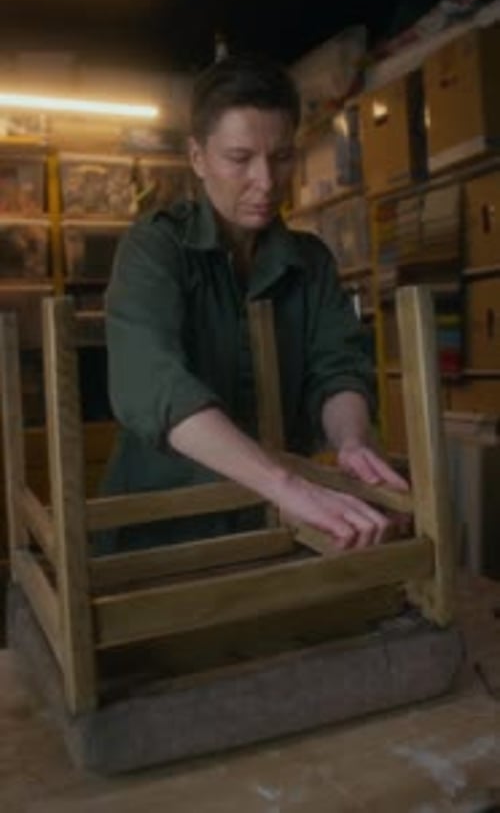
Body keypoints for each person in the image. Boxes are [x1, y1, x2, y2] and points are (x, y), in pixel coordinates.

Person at [101, 54, 407, 553]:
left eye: (282, 156)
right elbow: (152, 381)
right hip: (164, 529)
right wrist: (286, 483)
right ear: (198, 157)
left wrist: (351, 440)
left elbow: (339, 370)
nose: (266, 182)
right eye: (240, 159)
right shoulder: (155, 247)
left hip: (280, 527)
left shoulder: (311, 262)